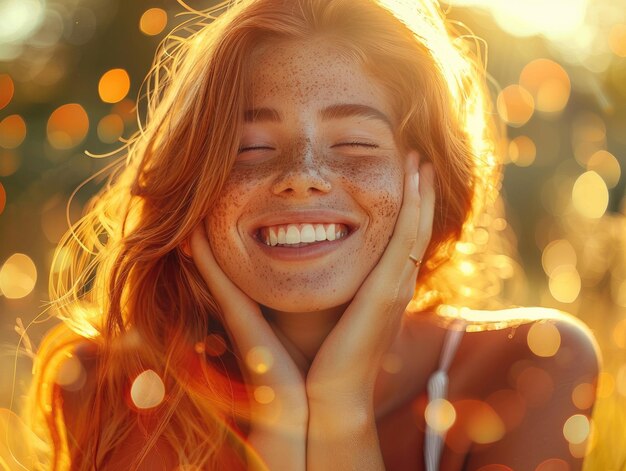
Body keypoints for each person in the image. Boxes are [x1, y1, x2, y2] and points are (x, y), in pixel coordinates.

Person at [22, 0, 600, 469]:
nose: (301, 177)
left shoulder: (529, 366)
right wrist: (278, 422)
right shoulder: (117, 389)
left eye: (354, 142)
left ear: (426, 177)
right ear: (194, 184)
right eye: (249, 148)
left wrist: (340, 412)